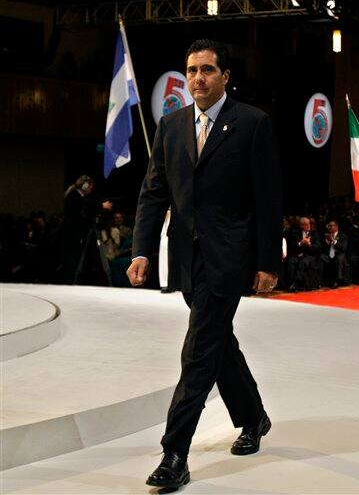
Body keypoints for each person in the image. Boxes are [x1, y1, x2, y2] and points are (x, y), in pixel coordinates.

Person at [127, 39, 283, 490]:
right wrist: (141, 249)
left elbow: (267, 200)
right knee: (217, 342)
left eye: (208, 70)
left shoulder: (253, 124)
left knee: (198, 351)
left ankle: (175, 452)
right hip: (186, 259)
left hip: (230, 258)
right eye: (192, 70)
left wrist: (268, 262)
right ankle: (253, 417)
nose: (198, 77)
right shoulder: (172, 125)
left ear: (225, 76)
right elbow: (154, 191)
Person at [287, 216, 321, 291]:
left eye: (309, 224)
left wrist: (309, 244)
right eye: (305, 224)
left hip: (310, 256)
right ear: (301, 225)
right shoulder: (296, 233)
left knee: (303, 262)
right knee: (291, 261)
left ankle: (295, 283)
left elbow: (317, 247)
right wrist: (301, 243)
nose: (308, 226)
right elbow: (292, 246)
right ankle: (291, 283)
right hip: (298, 255)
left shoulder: (314, 233)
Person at [320, 220, 350, 288]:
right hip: (328, 255)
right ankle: (320, 281)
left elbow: (343, 248)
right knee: (321, 257)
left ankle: (337, 280)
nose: (329, 227)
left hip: (339, 254)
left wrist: (333, 241)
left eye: (331, 226)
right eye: (329, 226)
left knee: (338, 258)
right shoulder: (326, 235)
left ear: (336, 227)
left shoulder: (343, 236)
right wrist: (327, 241)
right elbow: (322, 248)